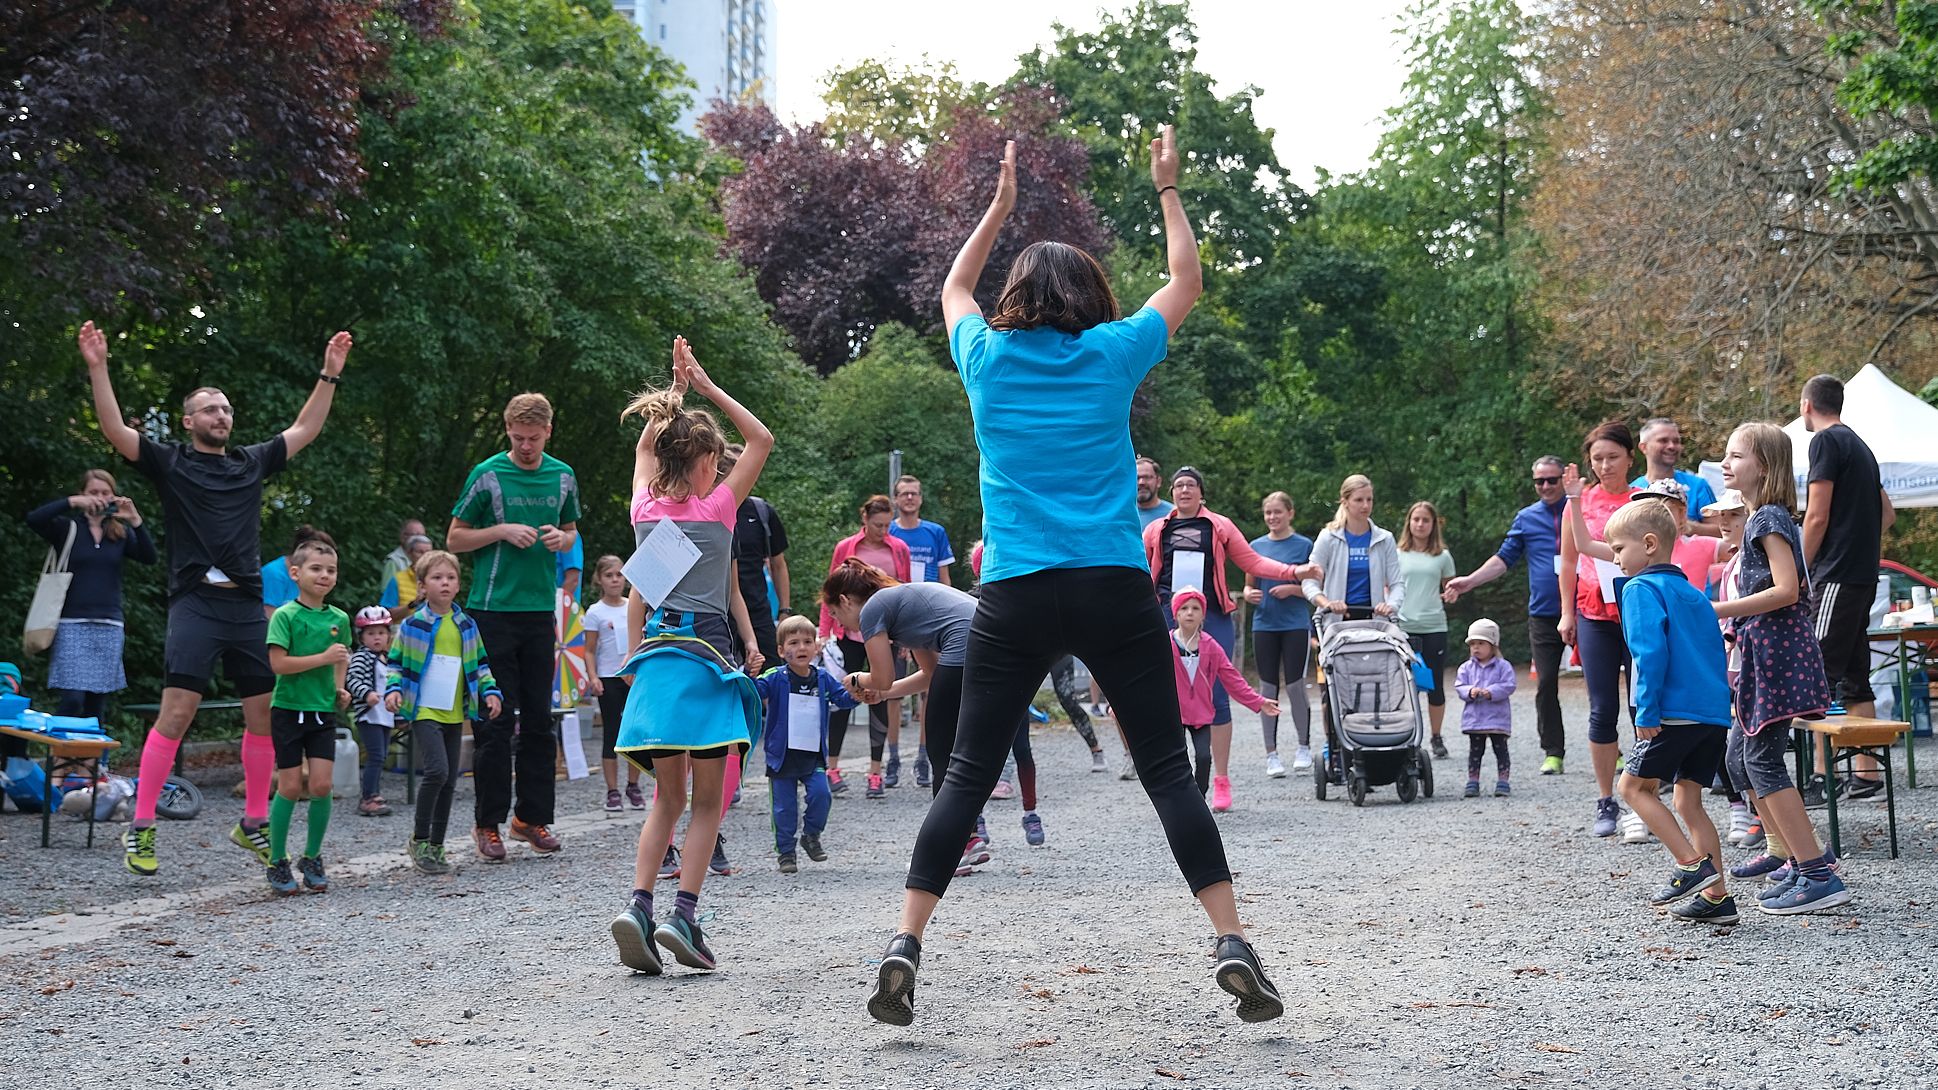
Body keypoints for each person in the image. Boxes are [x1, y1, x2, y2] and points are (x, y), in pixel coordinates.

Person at [867, 127, 1285, 1028]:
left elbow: (952, 288)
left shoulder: (984, 359)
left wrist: (999, 207)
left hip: (1015, 588)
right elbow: (1186, 283)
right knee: (1170, 774)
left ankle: (905, 942)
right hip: (1109, 584)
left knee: (966, 777)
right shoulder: (1111, 354)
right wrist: (1167, 189)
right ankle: (1231, 941)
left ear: (1018, 295)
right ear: (1092, 294)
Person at [80, 319, 351, 878]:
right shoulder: (170, 460)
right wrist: (98, 367)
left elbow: (304, 428)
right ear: (189, 421)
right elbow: (113, 430)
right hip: (196, 604)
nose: (220, 416)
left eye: (225, 409)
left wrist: (329, 373)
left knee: (260, 717)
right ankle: (143, 827)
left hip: (245, 605)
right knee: (176, 714)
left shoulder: (250, 462)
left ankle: (252, 823)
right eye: (209, 409)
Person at [608, 335, 772, 976]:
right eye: (714, 458)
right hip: (706, 658)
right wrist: (703, 386)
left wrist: (674, 399)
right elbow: (760, 439)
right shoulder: (719, 507)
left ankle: (637, 904)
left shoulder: (645, 507)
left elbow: (648, 446)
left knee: (664, 801)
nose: (721, 464)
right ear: (703, 463)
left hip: (656, 660)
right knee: (708, 803)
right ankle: (684, 913)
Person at [1714, 422, 1849, 915]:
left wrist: (1718, 610)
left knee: (1761, 759)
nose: (1726, 464)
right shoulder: (1758, 518)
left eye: (1736, 456)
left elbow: (1789, 589)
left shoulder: (1769, 517)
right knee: (1741, 757)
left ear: (1764, 466)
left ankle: (1817, 873)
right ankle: (1798, 856)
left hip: (1777, 655)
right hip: (1761, 652)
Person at [448, 392, 581, 862]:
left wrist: (559, 538)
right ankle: (487, 824)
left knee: (541, 722)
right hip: (491, 610)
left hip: (538, 610)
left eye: (534, 438)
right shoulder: (488, 474)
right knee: (495, 719)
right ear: (507, 431)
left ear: (548, 431)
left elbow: (571, 531)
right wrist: (501, 531)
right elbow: (454, 537)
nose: (526, 446)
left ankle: (531, 818)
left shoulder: (563, 475)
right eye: (518, 438)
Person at [1143, 466, 1313, 810]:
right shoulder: (1155, 529)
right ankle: (1176, 779)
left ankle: (1220, 780)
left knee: (1218, 694)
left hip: (1213, 616)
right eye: (1178, 486)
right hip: (1167, 613)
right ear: (1172, 493)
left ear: (1201, 492)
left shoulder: (1218, 526)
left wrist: (1293, 572)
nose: (1184, 490)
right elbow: (1140, 571)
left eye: (1191, 485)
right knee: (1167, 696)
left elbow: (1252, 561)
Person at [1603, 499, 1740, 924]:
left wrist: (1646, 711)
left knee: (1632, 789)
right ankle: (1717, 898)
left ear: (1647, 545)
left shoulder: (1640, 589)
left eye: (1618, 548)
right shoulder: (1695, 594)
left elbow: (1649, 655)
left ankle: (1689, 864)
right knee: (1688, 801)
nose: (1614, 558)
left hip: (1673, 715)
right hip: (1713, 716)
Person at [822, 560, 999, 864]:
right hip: (989, 642)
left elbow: (881, 676)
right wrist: (880, 691)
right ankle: (969, 838)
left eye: (836, 616)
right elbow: (929, 674)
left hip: (969, 645)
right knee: (952, 752)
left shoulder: (873, 609)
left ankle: (950, 850)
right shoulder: (899, 604)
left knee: (941, 751)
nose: (841, 625)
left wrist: (854, 680)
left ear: (845, 600)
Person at [1798, 374, 1896, 802]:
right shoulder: (1861, 446)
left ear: (1806, 406)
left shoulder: (1824, 442)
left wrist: (1800, 566)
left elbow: (1816, 515)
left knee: (1814, 670)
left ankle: (1823, 778)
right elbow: (1886, 513)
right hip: (1861, 576)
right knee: (1856, 675)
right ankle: (1867, 775)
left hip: (1835, 576)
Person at [1442, 459, 1569, 775]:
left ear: (1564, 479)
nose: (1546, 487)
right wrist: (1469, 581)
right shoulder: (1527, 518)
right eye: (1539, 482)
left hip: (1586, 609)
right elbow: (1503, 560)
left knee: (1601, 683)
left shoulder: (1580, 509)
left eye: (1552, 480)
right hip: (1544, 613)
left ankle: (1616, 750)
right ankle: (1553, 752)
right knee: (1547, 683)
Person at [385, 549, 503, 876]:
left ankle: (437, 844)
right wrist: (393, 689)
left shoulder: (466, 625)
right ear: (422, 586)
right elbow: (395, 663)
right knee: (436, 771)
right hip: (422, 708)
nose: (445, 583)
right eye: (437, 578)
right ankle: (419, 838)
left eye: (451, 577)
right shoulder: (412, 625)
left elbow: (480, 666)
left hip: (454, 712)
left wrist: (491, 692)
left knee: (450, 779)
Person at [1557, 421, 1644, 840]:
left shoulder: (1643, 499)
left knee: (1642, 704)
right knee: (1602, 707)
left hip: (1639, 611)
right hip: (1593, 612)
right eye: (1598, 459)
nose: (1605, 465)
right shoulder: (1579, 502)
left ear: (1630, 457)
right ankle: (1606, 797)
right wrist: (1566, 613)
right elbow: (1570, 561)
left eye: (1613, 457)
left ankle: (1643, 793)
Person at [262, 536, 352, 895]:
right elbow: (278, 663)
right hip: (288, 710)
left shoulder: (339, 618)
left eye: (331, 570)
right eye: (316, 568)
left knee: (321, 785)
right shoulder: (285, 616)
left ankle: (312, 856)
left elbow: (341, 658)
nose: (325, 575)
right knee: (288, 786)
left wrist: (339, 689)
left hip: (321, 712)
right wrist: (323, 659)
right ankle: (277, 859)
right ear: (296, 573)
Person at [26, 470, 155, 720]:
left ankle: (95, 760)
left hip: (109, 625)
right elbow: (34, 519)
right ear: (83, 494)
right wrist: (72, 502)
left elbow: (149, 558)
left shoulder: (119, 534)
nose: (99, 497)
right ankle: (64, 758)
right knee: (73, 701)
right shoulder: (68, 528)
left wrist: (135, 520)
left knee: (97, 705)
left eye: (105, 492)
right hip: (71, 623)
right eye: (92, 492)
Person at [817, 496, 910, 798]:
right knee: (844, 695)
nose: (882, 531)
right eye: (877, 525)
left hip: (888, 633)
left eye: (887, 525)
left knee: (880, 696)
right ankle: (832, 767)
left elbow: (904, 587)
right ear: (865, 520)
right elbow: (832, 591)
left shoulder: (899, 548)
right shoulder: (847, 548)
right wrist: (825, 631)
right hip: (850, 635)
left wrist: (906, 637)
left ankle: (875, 772)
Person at [755, 614, 860, 873]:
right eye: (793, 643)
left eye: (806, 641)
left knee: (822, 795)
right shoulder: (775, 677)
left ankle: (811, 835)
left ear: (816, 647)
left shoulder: (823, 677)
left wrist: (860, 695)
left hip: (813, 755)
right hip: (782, 755)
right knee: (784, 808)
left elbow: (842, 699)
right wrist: (749, 674)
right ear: (781, 651)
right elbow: (754, 693)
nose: (801, 648)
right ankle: (786, 852)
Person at [1168, 588, 1278, 801]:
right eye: (1184, 608)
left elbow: (1232, 678)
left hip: (1201, 715)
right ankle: (1176, 801)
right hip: (1174, 715)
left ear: (1203, 615)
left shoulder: (1210, 646)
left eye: (1195, 608)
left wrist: (1258, 701)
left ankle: (1197, 800)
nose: (1189, 612)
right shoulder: (1166, 645)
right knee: (1175, 762)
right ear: (1176, 614)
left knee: (1204, 757)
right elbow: (1146, 676)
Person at [1241, 491, 1315, 776]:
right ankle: (1271, 754)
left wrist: (1292, 589)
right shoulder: (1256, 545)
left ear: (1290, 513)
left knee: (1296, 685)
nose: (1272, 517)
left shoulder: (1304, 545)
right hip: (1264, 625)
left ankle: (1303, 747)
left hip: (1295, 624)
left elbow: (1313, 588)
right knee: (1267, 688)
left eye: (1278, 512)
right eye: (1268, 513)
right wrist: (1249, 594)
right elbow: (1249, 585)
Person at [583, 555, 645, 815]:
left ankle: (633, 785)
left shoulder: (633, 605)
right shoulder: (595, 612)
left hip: (632, 676)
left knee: (636, 732)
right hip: (609, 677)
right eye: (609, 575)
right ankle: (612, 790)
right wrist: (593, 677)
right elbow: (588, 649)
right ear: (599, 579)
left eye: (619, 575)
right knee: (612, 732)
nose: (615, 580)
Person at [1395, 500, 1456, 758]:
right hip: (1402, 626)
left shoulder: (1442, 556)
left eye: (1425, 520)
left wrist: (1451, 593)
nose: (1420, 524)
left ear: (1433, 525)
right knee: (1403, 685)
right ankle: (1405, 734)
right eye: (1416, 519)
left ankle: (1436, 736)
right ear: (1409, 522)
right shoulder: (1396, 553)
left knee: (1434, 684)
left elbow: (1451, 586)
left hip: (1433, 625)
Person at [1303, 474, 1402, 624]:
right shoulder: (1329, 537)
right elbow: (1309, 581)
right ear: (1345, 502)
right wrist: (1327, 603)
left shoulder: (1384, 539)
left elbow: (1397, 583)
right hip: (1337, 620)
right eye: (1359, 500)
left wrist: (1390, 606)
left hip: (1374, 618)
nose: (1365, 506)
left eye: (1369, 500)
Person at [728, 444, 790, 665]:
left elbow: (779, 564)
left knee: (771, 674)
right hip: (717, 614)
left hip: (758, 609)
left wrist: (784, 610)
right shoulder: (702, 513)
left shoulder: (761, 511)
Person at [1455, 619, 1516, 797]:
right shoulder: (1466, 668)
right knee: (1475, 750)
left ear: (1493, 645)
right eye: (1472, 644)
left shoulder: (1503, 666)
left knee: (1500, 749)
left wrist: (1491, 692)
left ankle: (1503, 780)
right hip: (1475, 718)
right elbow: (1459, 686)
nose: (1476, 648)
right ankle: (1473, 780)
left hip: (1497, 718)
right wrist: (1470, 691)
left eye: (1481, 643)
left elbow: (1509, 685)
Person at [345, 605, 396, 818]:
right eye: (371, 633)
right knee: (375, 755)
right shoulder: (361, 657)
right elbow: (351, 679)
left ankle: (374, 793)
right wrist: (366, 694)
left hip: (384, 716)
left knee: (381, 755)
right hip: (369, 714)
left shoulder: (388, 658)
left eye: (381, 633)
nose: (377, 638)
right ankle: (368, 797)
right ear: (362, 637)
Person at [1632, 418, 1720, 537]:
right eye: (1663, 441)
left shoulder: (1698, 485)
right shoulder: (1634, 490)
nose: (1671, 446)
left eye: (1676, 441)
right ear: (1643, 447)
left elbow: (1720, 531)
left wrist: (1685, 525)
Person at [261, 525, 329, 620]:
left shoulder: (308, 575)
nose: (324, 574)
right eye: (316, 566)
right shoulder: (274, 574)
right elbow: (270, 618)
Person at [379, 533, 434, 612]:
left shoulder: (439, 579)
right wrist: (413, 604)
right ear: (409, 554)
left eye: (428, 552)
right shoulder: (397, 580)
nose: (425, 556)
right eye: (420, 552)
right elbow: (386, 614)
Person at [381, 518, 426, 587]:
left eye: (422, 536)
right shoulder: (394, 561)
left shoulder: (427, 560)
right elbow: (387, 590)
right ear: (403, 537)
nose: (420, 539)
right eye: (415, 535)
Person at [1136, 456, 1175, 528]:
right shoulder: (1122, 515)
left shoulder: (1173, 515)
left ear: (1158, 481)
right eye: (1137, 478)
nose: (1141, 482)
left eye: (1147, 477)